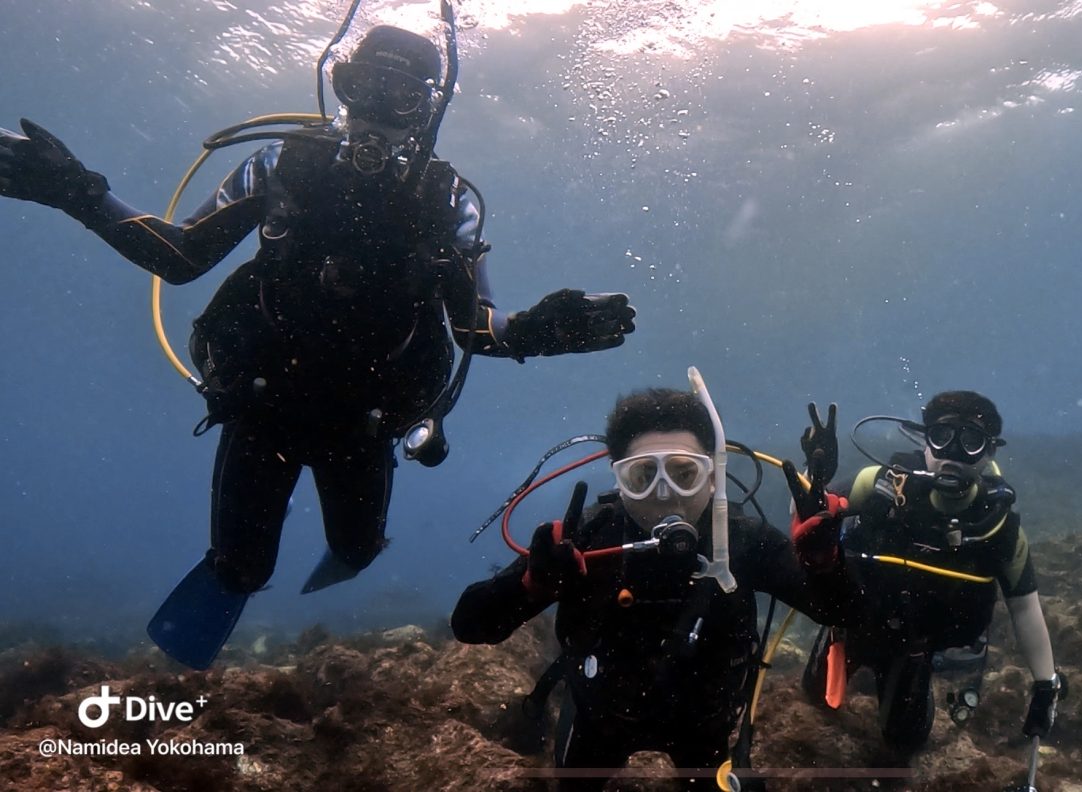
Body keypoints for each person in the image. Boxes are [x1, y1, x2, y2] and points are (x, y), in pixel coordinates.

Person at [0, 24, 635, 671]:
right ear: (342, 87)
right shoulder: (283, 165)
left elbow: (474, 328)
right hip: (264, 404)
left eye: (402, 99)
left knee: (357, 550)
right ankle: (217, 611)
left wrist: (535, 331)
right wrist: (75, 189)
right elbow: (182, 254)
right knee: (239, 567)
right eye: (366, 89)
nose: (378, 114)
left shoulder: (445, 201)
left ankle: (342, 558)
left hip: (363, 425)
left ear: (426, 111)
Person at [452, 387, 851, 791]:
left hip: (703, 726)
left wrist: (825, 564)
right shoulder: (587, 541)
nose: (665, 493)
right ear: (619, 479)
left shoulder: (743, 542)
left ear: (713, 477)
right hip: (600, 719)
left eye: (684, 473)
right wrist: (532, 585)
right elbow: (469, 625)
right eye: (643, 475)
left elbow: (847, 614)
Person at [797, 391, 1064, 759]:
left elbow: (1024, 608)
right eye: (941, 437)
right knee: (812, 699)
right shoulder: (881, 484)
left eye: (970, 441)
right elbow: (812, 515)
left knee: (904, 744)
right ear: (925, 442)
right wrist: (815, 474)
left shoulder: (998, 529)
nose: (952, 453)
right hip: (854, 622)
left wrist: (1045, 685)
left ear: (989, 453)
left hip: (914, 646)